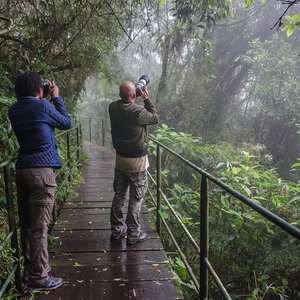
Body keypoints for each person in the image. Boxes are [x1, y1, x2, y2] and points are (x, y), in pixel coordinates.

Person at [8, 71, 71, 292]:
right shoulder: (42, 106)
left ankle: (29, 272)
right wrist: (56, 98)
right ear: (39, 91)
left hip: (23, 170)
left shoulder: (13, 110)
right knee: (40, 228)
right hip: (41, 174)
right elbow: (66, 122)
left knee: (27, 226)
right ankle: (39, 277)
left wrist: (42, 97)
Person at [109, 80, 158, 245]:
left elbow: (125, 103)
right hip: (137, 163)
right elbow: (154, 117)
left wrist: (133, 95)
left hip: (120, 160)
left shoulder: (113, 107)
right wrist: (145, 99)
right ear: (133, 95)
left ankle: (116, 231)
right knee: (136, 199)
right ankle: (133, 234)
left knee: (119, 196)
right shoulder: (138, 111)